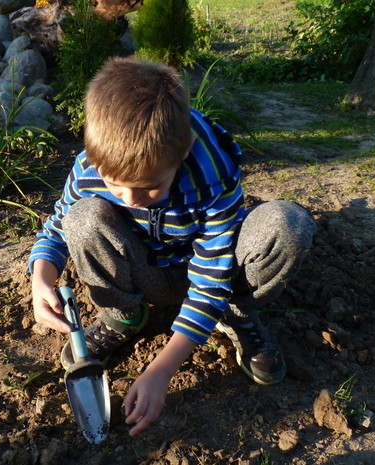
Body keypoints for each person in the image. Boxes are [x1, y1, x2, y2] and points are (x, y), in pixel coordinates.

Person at [29, 56, 315, 436]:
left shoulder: (212, 175)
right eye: (115, 185)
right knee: (82, 218)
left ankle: (238, 315)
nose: (131, 199)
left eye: (150, 187)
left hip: (219, 275)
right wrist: (41, 280)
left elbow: (211, 280)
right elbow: (55, 231)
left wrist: (161, 370)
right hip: (144, 272)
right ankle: (125, 313)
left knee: (288, 224)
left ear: (184, 151)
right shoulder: (89, 168)